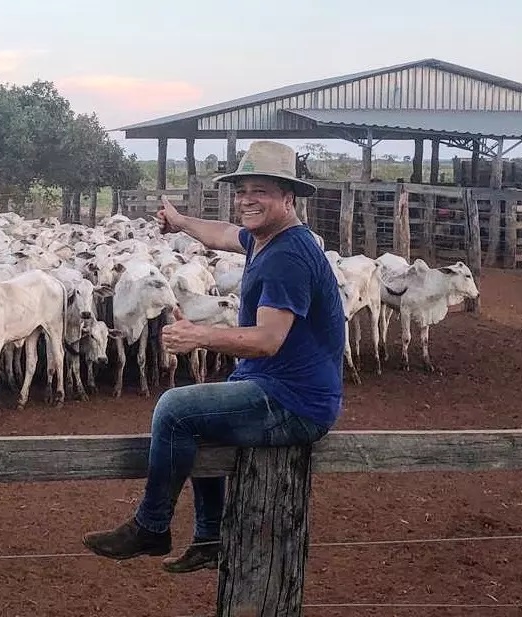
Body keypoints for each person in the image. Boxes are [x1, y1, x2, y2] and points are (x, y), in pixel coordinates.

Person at [82, 140, 346, 573]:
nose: (246, 200)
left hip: (295, 402)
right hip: (275, 386)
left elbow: (268, 340)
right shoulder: (267, 239)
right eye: (242, 191)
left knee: (175, 409)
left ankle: (152, 526)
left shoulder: (288, 257)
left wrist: (198, 335)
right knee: (201, 417)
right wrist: (181, 222)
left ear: (288, 197)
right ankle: (210, 537)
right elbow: (222, 233)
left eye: (260, 191)